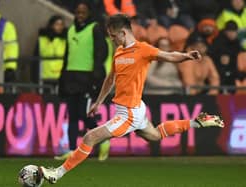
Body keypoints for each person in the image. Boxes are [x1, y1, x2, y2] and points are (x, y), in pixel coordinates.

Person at [39, 14, 224, 184]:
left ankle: (57, 173)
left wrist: (186, 56)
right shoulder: (119, 52)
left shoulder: (143, 49)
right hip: (135, 109)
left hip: (129, 113)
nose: (111, 39)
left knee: (90, 136)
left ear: (123, 32)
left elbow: (167, 55)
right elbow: (110, 78)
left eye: (113, 35)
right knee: (155, 135)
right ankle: (197, 122)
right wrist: (99, 102)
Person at [56, 1, 110, 162]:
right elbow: (67, 56)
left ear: (89, 14)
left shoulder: (95, 29)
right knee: (72, 115)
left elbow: (102, 54)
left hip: (87, 78)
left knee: (84, 114)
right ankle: (72, 150)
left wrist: (96, 78)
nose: (80, 16)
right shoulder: (71, 30)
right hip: (71, 78)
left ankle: (104, 138)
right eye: (78, 12)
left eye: (83, 12)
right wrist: (62, 78)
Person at [32, 15, 67, 93]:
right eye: (57, 24)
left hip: (60, 78)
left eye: (61, 24)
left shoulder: (65, 40)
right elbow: (36, 58)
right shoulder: (42, 39)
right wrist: (34, 77)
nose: (60, 27)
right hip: (44, 78)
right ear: (51, 25)